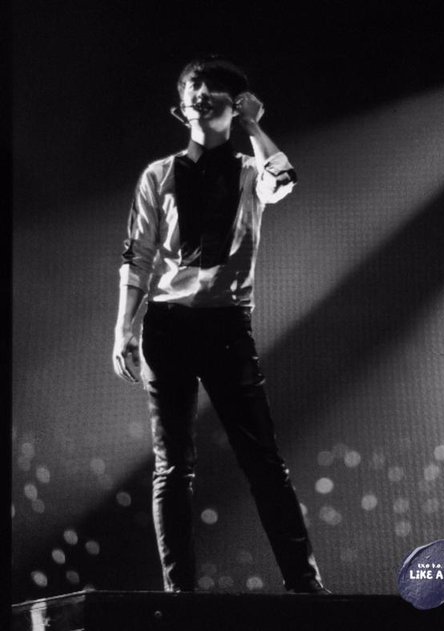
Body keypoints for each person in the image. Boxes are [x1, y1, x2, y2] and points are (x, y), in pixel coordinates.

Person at [112, 55, 330, 595]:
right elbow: (138, 256)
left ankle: (305, 585)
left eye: (211, 92)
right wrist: (123, 329)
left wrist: (253, 123)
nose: (200, 98)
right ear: (180, 106)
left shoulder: (251, 171)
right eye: (193, 91)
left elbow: (285, 178)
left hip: (226, 326)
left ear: (234, 105)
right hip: (168, 325)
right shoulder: (158, 175)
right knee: (172, 467)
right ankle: (179, 594)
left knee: (262, 460)